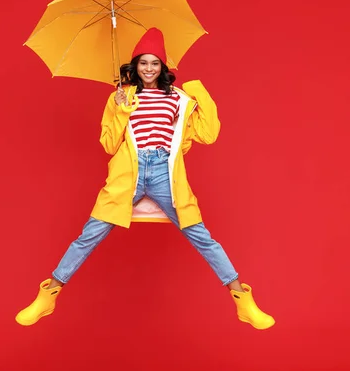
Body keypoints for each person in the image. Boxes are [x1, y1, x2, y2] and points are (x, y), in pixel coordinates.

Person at [15, 28, 275, 330]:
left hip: (165, 172)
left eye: (155, 63)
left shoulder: (178, 98)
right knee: (89, 234)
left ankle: (242, 300)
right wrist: (121, 109)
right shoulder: (122, 96)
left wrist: (196, 90)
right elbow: (109, 143)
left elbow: (208, 133)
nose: (149, 69)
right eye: (143, 63)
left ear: (163, 67)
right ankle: (48, 295)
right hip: (130, 173)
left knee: (201, 236)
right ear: (135, 66)